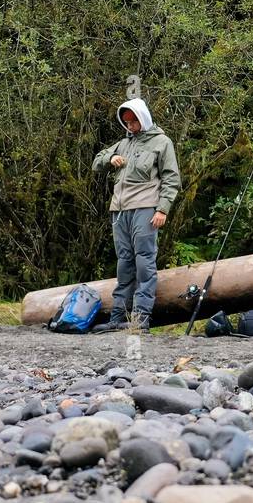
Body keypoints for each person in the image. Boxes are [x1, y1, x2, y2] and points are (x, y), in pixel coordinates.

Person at [90, 98, 181, 334]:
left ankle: (140, 320)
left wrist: (162, 209)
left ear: (143, 118)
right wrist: (110, 159)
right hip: (119, 211)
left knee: (144, 262)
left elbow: (172, 179)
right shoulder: (122, 144)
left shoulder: (162, 143)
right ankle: (118, 317)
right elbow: (96, 163)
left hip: (146, 208)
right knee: (124, 263)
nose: (130, 126)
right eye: (126, 122)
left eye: (133, 121)